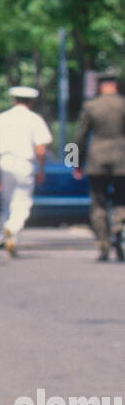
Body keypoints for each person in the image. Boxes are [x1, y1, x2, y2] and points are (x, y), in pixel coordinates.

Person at [0, 87, 52, 257]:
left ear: (14, 100)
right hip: (24, 163)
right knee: (23, 201)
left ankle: (9, 236)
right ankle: (12, 228)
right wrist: (41, 169)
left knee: (6, 201)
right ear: (31, 102)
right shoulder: (35, 119)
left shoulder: (1, 118)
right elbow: (40, 149)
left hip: (4, 162)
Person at [74, 68, 125, 262]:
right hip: (122, 160)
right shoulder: (123, 104)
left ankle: (103, 244)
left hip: (97, 160)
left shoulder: (90, 106)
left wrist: (75, 163)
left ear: (100, 86)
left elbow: (78, 137)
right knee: (121, 200)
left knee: (98, 203)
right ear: (116, 85)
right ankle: (119, 227)